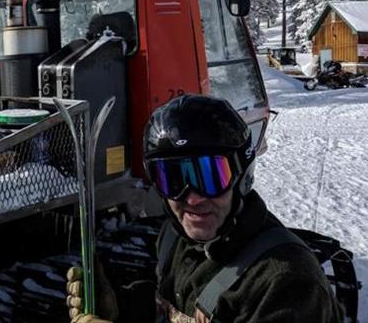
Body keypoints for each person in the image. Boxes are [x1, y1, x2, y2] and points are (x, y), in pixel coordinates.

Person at [66, 94, 341, 323]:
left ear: (241, 176)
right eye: (172, 179)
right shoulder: (175, 238)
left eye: (209, 177)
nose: (193, 198)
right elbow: (172, 306)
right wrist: (121, 307)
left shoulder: (286, 282)